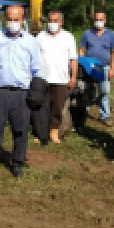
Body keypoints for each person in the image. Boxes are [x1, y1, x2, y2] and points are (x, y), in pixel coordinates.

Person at [0, 4, 44, 178]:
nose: (12, 23)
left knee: (21, 129)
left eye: (16, 19)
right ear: (5, 19)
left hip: (22, 93)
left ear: (23, 20)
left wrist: (37, 92)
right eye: (9, 19)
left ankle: (17, 162)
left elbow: (38, 68)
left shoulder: (30, 41)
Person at [36, 10, 78, 144]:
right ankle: (41, 133)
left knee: (57, 107)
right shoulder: (40, 36)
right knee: (42, 107)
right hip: (42, 78)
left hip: (61, 79)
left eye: (55, 21)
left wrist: (73, 77)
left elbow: (73, 59)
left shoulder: (68, 37)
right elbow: (34, 57)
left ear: (61, 22)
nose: (52, 23)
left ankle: (53, 131)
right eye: (50, 21)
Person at [79, 10, 114, 126]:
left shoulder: (111, 34)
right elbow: (82, 50)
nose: (98, 22)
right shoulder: (87, 34)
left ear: (105, 20)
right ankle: (83, 112)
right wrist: (81, 65)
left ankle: (104, 115)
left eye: (100, 19)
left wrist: (112, 69)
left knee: (104, 92)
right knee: (86, 90)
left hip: (104, 67)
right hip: (89, 67)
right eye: (96, 19)